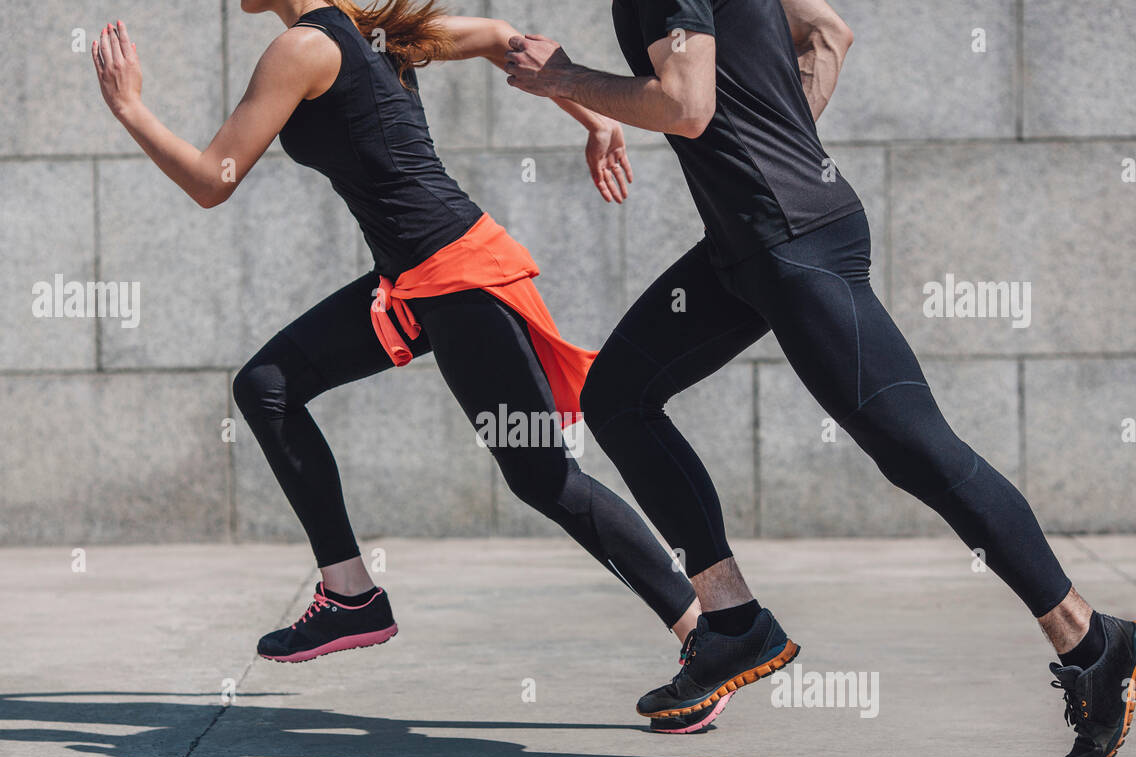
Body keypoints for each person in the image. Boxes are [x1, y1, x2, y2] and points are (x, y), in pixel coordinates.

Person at [503, 0, 1136, 757]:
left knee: (916, 448)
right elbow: (828, 32)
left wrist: (566, 79)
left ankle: (1091, 640)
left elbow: (684, 104)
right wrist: (781, 146)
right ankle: (732, 621)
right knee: (619, 397)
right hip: (751, 245)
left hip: (791, 244)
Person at [91, 0, 702, 669]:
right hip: (412, 283)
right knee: (268, 387)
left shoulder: (306, 48)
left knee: (547, 480)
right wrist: (595, 118)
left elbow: (214, 181)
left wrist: (130, 108)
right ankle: (351, 595)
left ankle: (706, 633)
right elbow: (503, 38)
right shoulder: (373, 35)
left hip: (460, 275)